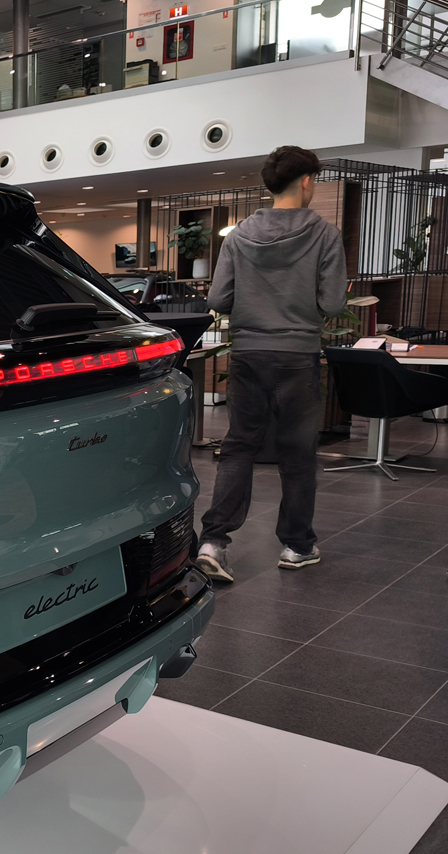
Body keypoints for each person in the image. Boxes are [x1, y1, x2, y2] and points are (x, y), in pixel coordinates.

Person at [196, 146, 347, 583]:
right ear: (306, 181)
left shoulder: (239, 236)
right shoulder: (325, 235)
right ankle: (297, 546)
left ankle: (213, 543)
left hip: (248, 353)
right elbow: (333, 303)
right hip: (297, 355)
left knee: (239, 447)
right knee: (297, 453)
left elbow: (218, 298)